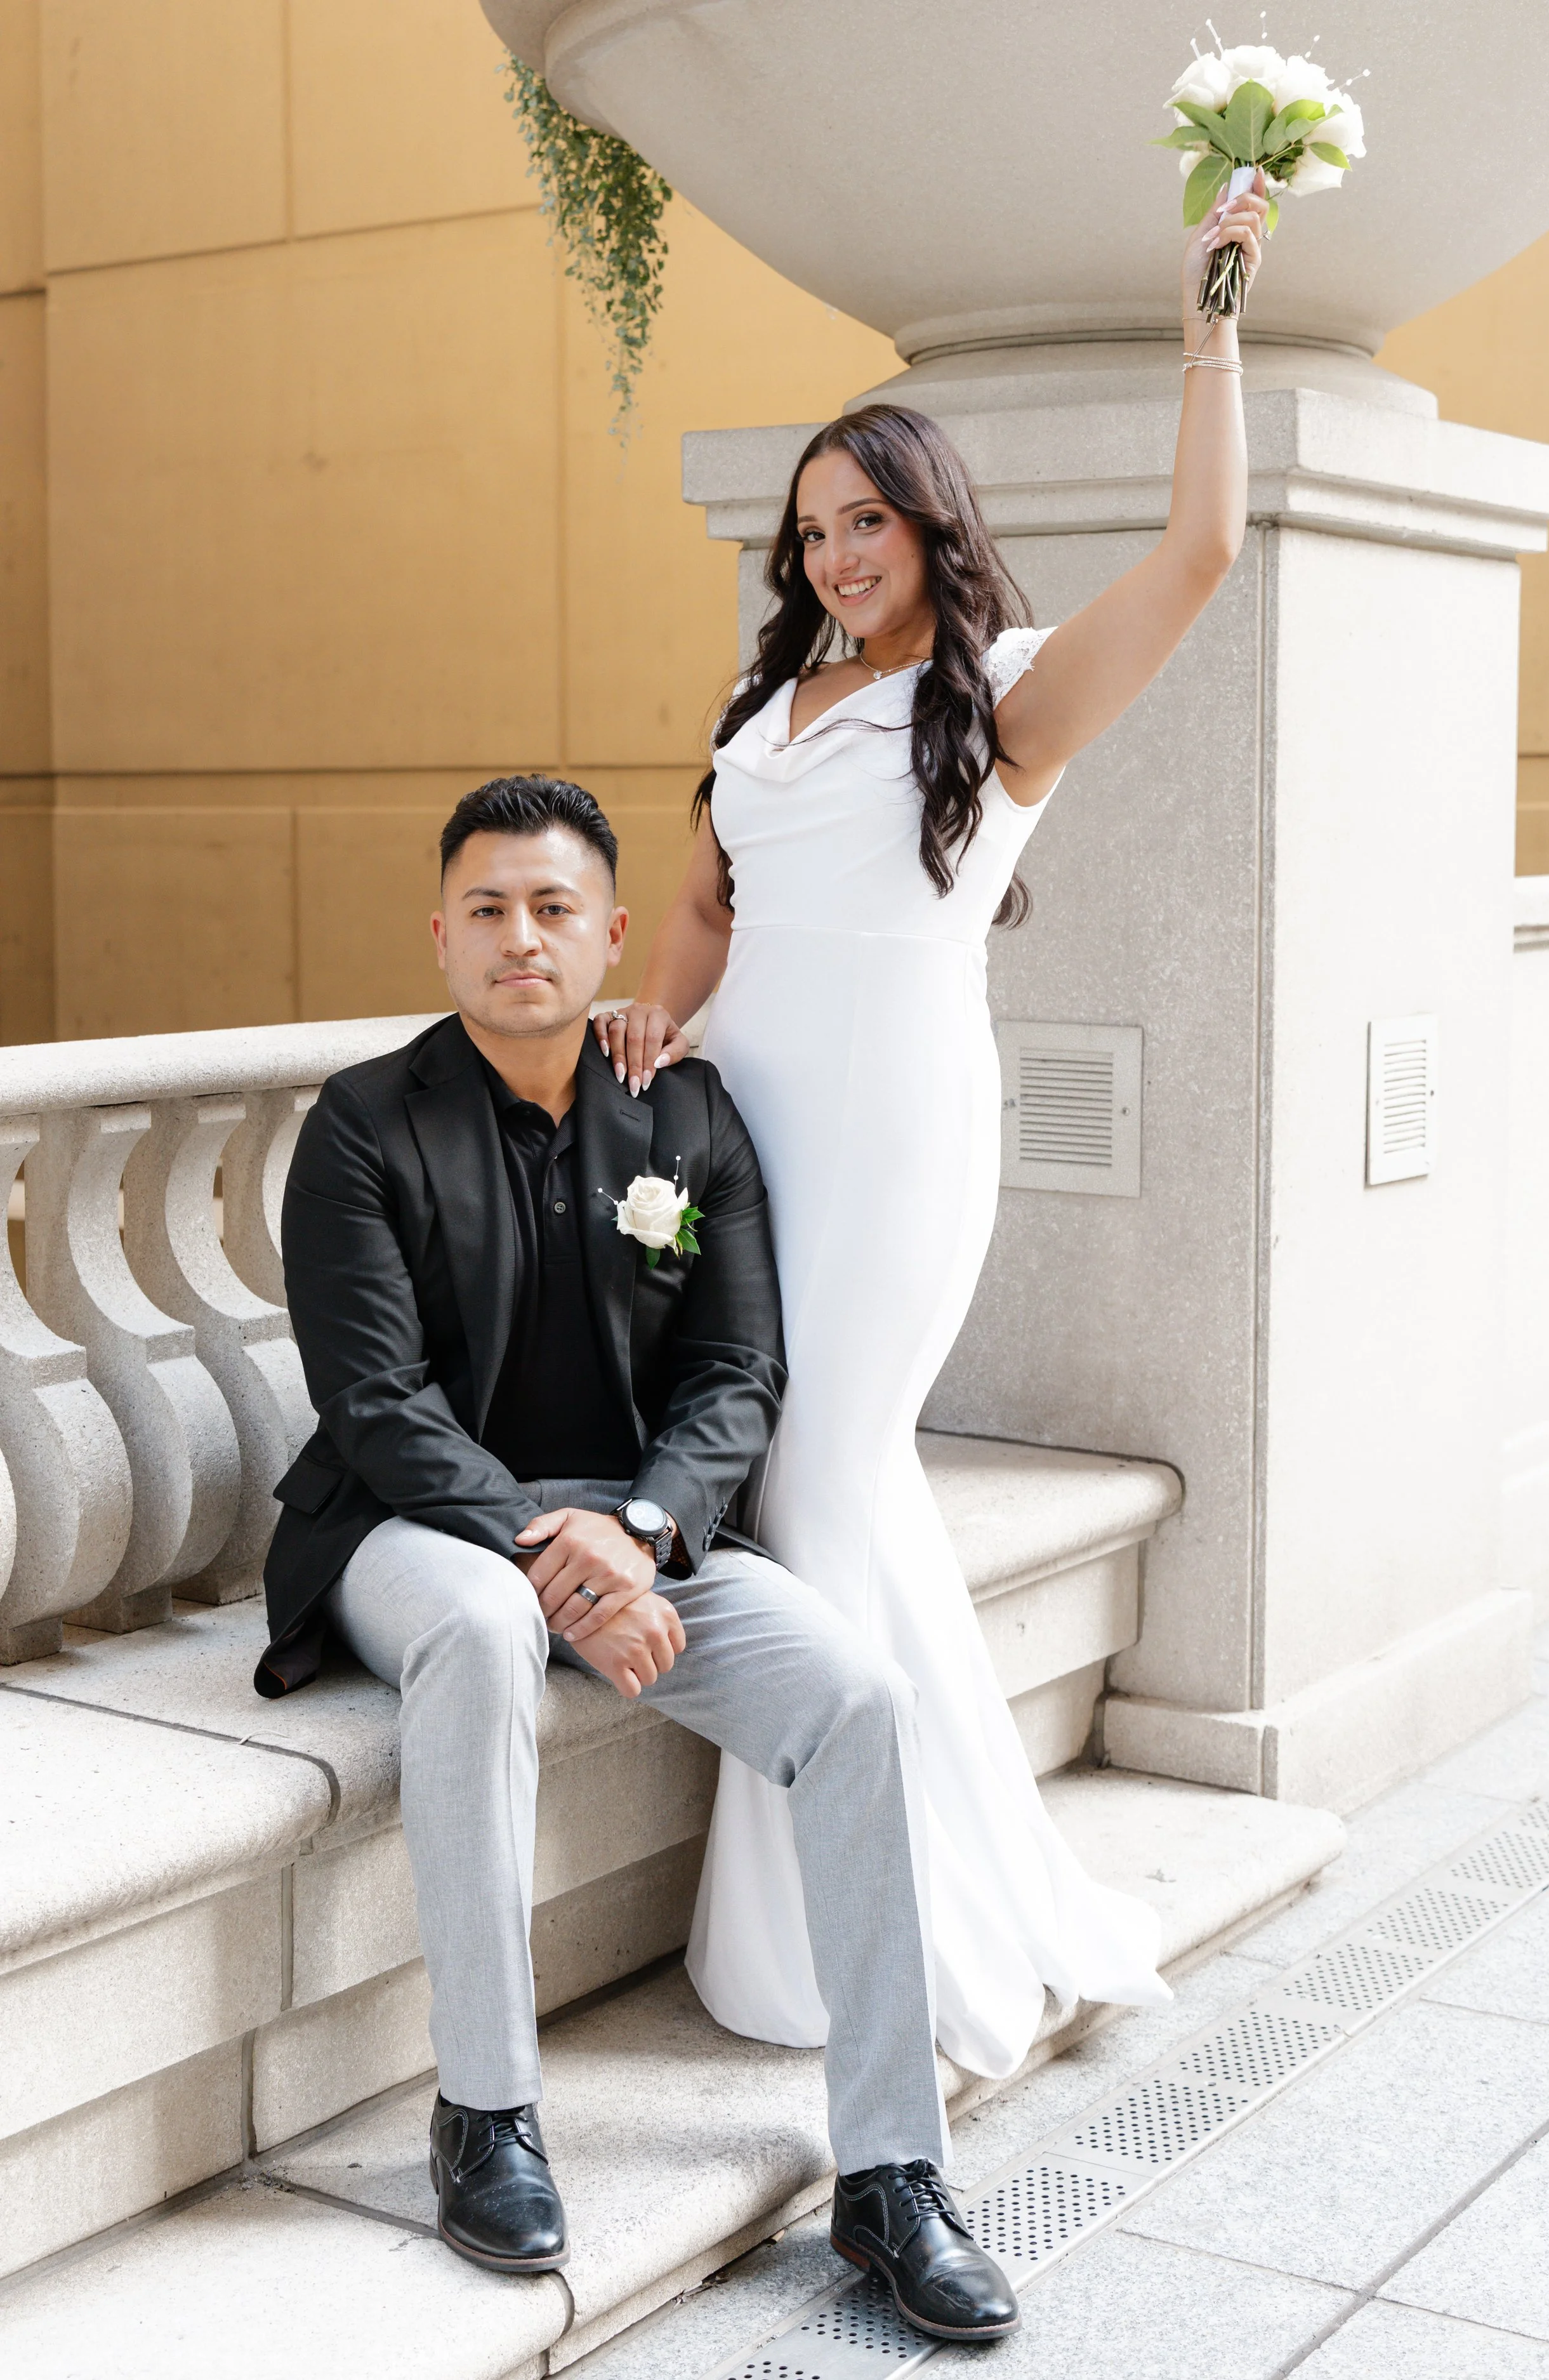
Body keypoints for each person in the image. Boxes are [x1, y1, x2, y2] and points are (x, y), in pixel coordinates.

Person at [598, 181, 1271, 2075]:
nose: (832, 556)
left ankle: (889, 1919)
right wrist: (659, 1012)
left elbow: (1202, 551)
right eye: (810, 530)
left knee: (826, 1468)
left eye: (864, 522)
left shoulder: (1002, 700)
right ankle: (847, 1892)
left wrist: (1209, 324)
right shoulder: (773, 699)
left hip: (893, 1129)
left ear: (928, 524)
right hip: (742, 1122)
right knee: (788, 1478)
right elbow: (712, 895)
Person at [252, 774, 1019, 2342]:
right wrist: (562, 1556)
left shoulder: (686, 1115)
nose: (519, 938)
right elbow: (375, 1402)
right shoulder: (362, 1123)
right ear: (441, 936)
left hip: (640, 1527)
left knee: (857, 1696)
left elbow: (736, 1372)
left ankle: (889, 2173)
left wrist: (646, 1531)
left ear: (612, 933)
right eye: (486, 909)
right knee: (483, 1627)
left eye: (553, 908)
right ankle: (486, 2112)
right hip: (414, 1530)